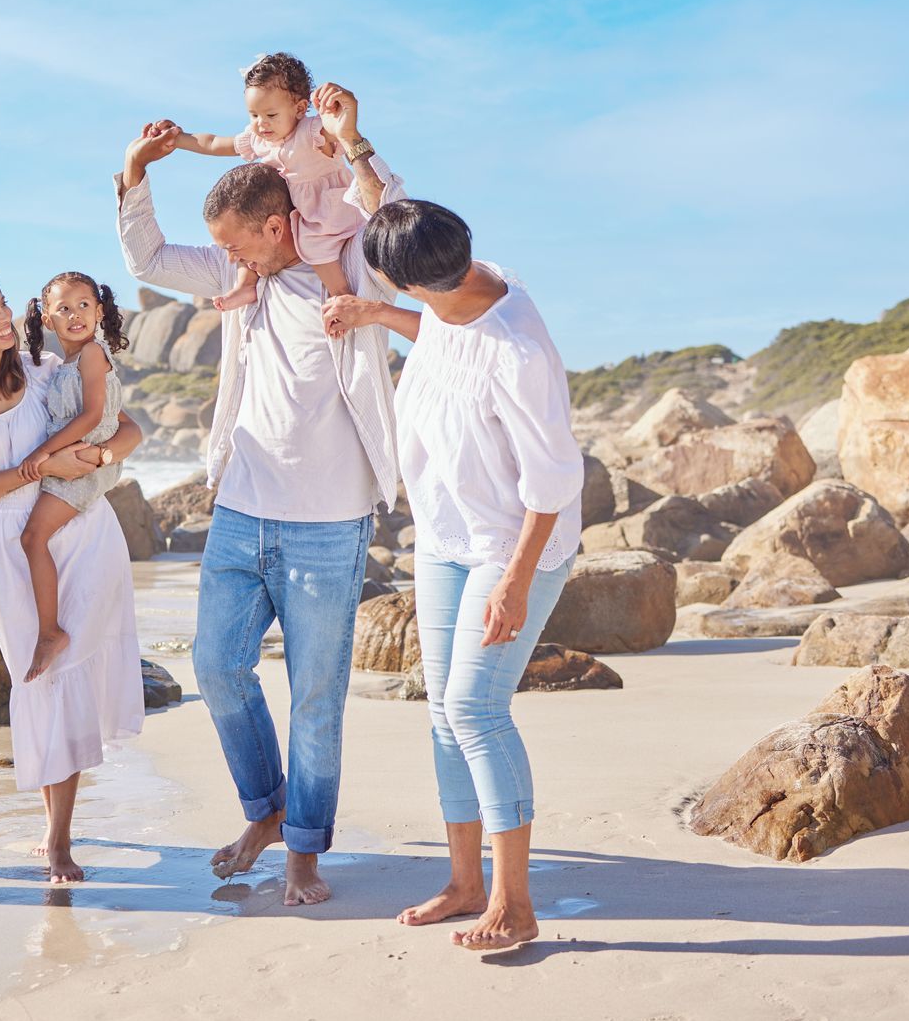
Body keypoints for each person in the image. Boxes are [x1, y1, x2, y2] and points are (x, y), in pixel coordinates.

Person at [116, 84, 405, 906]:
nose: (229, 262)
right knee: (217, 665)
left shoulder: (345, 264)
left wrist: (352, 141)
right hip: (240, 511)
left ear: (277, 226)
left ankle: (305, 850)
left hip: (327, 523)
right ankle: (268, 808)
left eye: (239, 246)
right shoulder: (234, 270)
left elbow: (394, 215)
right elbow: (146, 259)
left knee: (317, 697)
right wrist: (135, 172)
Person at [320, 200, 584, 950]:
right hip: (444, 538)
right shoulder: (453, 289)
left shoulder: (519, 351)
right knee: (442, 711)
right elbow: (439, 335)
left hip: (511, 547)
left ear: (420, 282)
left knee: (474, 708)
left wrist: (515, 582)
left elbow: (553, 484)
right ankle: (465, 883)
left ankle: (515, 902)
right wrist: (377, 313)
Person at [0, 271, 147, 883]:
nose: (3, 320)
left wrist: (97, 457)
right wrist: (37, 467)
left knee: (68, 672)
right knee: (38, 680)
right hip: (11, 543)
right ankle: (55, 831)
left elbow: (126, 428)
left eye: (2, 308)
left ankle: (58, 839)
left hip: (83, 529)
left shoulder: (43, 368)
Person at [167, 53, 361, 312]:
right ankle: (246, 285)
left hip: (322, 210)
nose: (261, 124)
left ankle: (342, 296)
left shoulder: (312, 133)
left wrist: (336, 110)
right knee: (247, 235)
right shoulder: (259, 139)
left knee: (315, 245)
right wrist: (178, 139)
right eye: (254, 115)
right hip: (288, 210)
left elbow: (338, 129)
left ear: (300, 109)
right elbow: (214, 143)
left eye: (270, 114)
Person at [16, 272, 130, 679]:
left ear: (99, 312)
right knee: (39, 539)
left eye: (84, 305)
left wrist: (43, 451)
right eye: (63, 308)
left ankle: (50, 632)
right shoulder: (65, 363)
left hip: (80, 466)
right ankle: (53, 625)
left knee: (33, 537)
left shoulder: (91, 355)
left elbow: (94, 415)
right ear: (48, 320)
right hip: (76, 460)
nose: (75, 314)